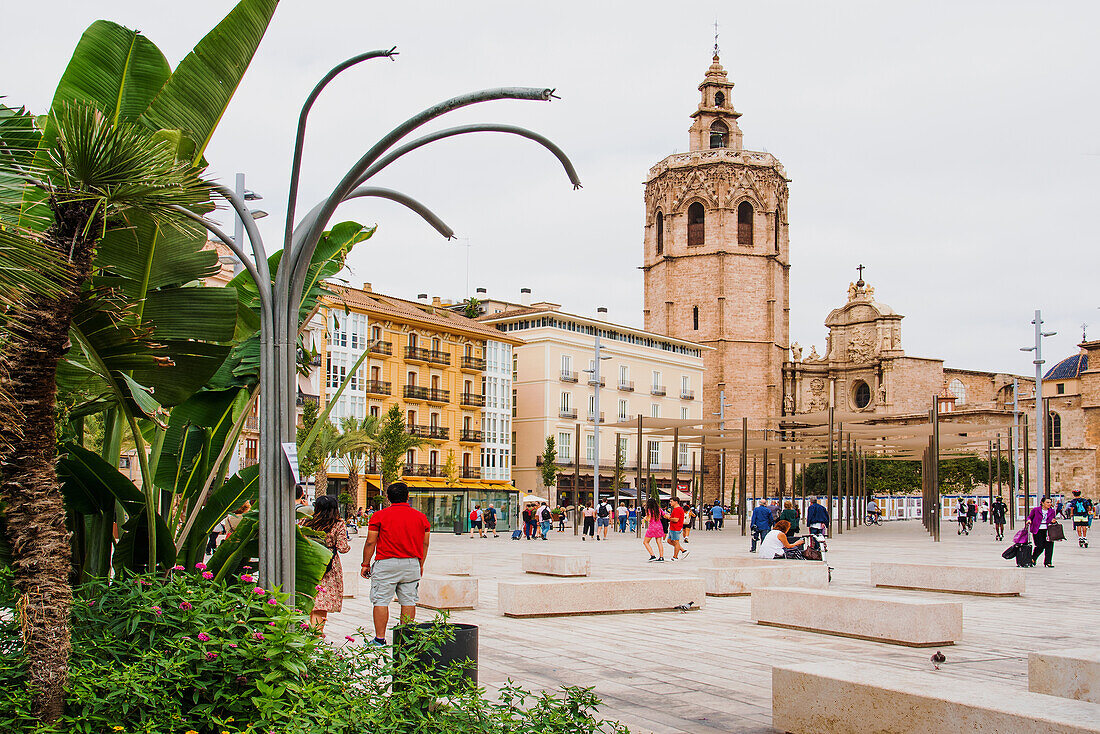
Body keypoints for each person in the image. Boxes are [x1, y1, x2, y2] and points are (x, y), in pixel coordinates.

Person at [361, 482, 431, 646]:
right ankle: (405, 639)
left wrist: (365, 563)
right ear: (408, 497)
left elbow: (371, 541)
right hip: (411, 563)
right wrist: (420, 563)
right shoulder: (421, 517)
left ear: (387, 497)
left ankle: (379, 639)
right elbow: (425, 543)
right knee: (408, 600)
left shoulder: (379, 516)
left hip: (386, 563)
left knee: (381, 600)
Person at [300, 495, 350, 635]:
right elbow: (342, 547)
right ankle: (316, 633)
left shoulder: (306, 521)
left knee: (311, 597)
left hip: (309, 560)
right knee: (322, 600)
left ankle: (310, 629)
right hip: (328, 563)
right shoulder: (338, 523)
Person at [1026, 496, 1058, 568]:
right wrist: (1029, 520)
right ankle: (1033, 558)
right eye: (1047, 502)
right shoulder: (1036, 510)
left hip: (1048, 529)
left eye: (1050, 502)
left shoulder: (1052, 511)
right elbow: (1030, 517)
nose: (1049, 504)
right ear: (1042, 503)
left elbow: (1053, 518)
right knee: (1040, 545)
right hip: (1038, 529)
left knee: (1049, 545)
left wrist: (1053, 520)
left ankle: (1048, 562)